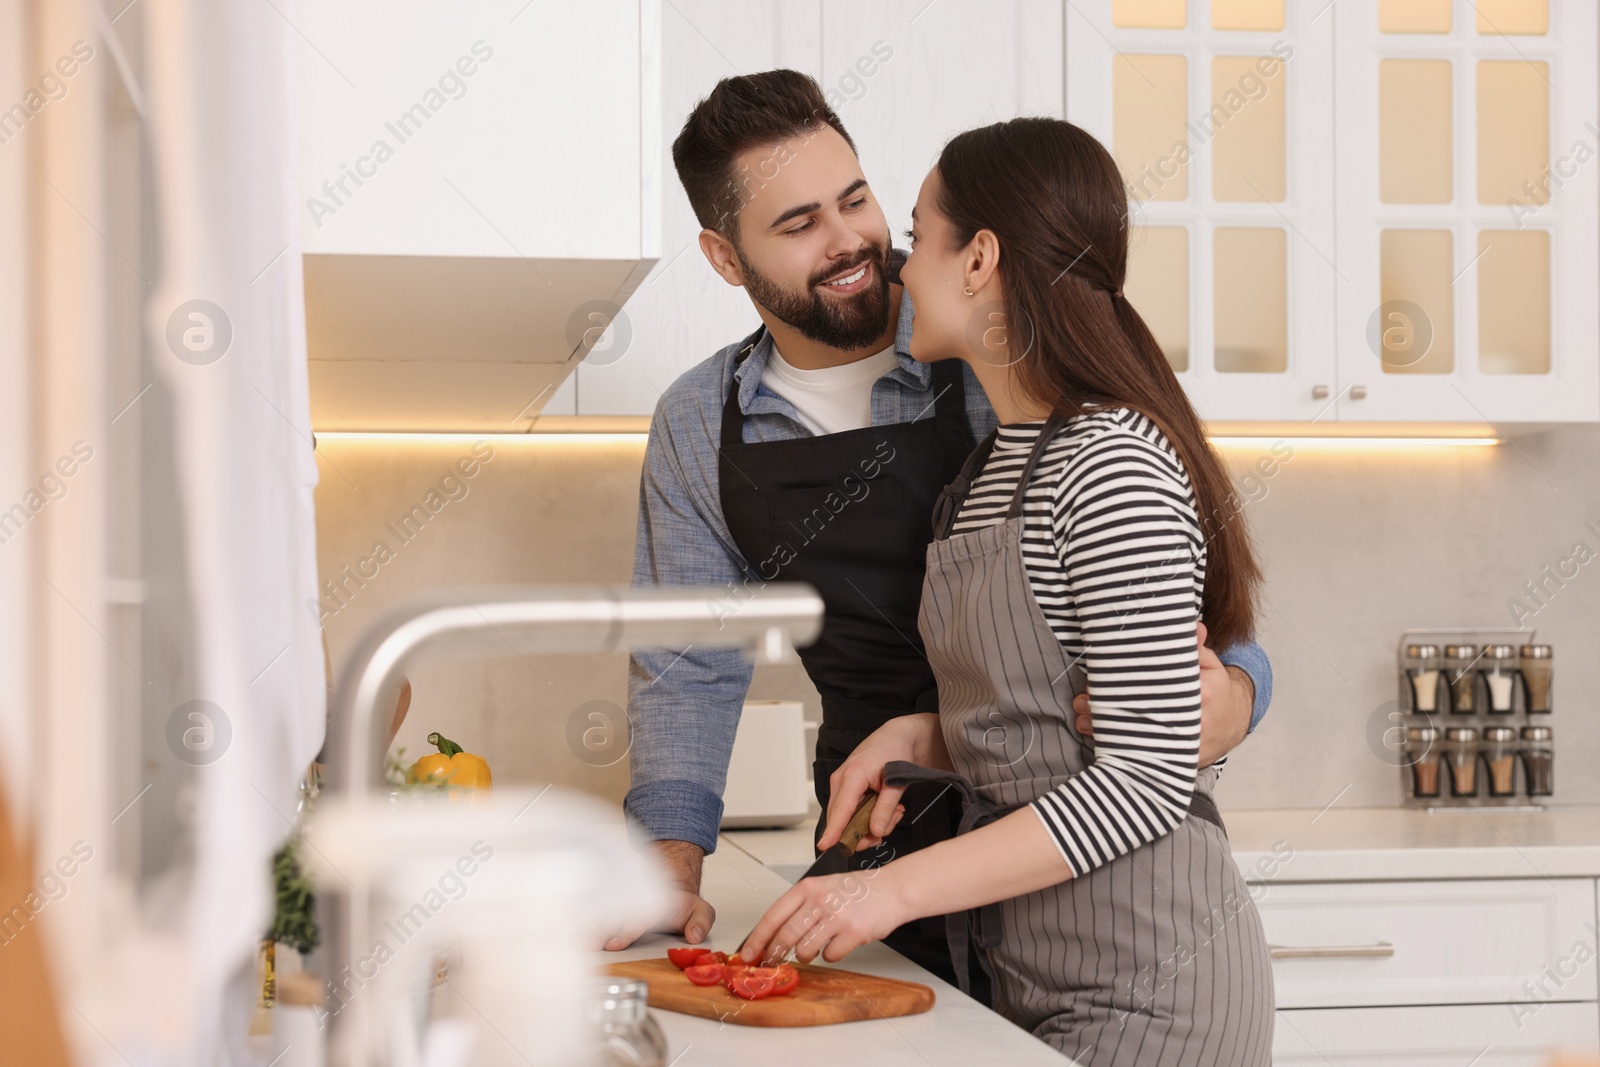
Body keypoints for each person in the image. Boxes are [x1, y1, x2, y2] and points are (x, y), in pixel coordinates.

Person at [607, 71, 1274, 1005]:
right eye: (799, 225)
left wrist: (1240, 689)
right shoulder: (699, 424)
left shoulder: (994, 343)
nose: (854, 245)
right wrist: (667, 876)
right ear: (726, 257)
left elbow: (1176, 573)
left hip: (1072, 852)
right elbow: (686, 665)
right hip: (878, 834)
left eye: (858, 201)